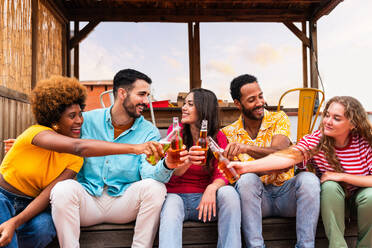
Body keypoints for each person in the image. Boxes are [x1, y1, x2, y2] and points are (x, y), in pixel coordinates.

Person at [0, 75, 164, 248]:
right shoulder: (37, 133)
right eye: (72, 116)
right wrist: (135, 148)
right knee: (9, 237)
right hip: (4, 197)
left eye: (80, 114)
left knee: (44, 228)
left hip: (34, 204)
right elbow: (79, 146)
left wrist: (16, 222)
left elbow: (48, 193)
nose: (80, 120)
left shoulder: (75, 158)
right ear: (55, 119)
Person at [50, 69, 184, 248]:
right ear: (122, 93)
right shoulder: (87, 120)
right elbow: (59, 136)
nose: (146, 101)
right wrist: (31, 142)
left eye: (148, 95)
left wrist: (167, 165)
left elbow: (148, 172)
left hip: (124, 202)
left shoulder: (149, 131)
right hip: (87, 199)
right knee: (62, 189)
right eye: (142, 94)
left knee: (155, 188)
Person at [228, 96, 372, 248]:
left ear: (353, 124)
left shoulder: (366, 142)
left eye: (336, 118)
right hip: (333, 202)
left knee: (370, 195)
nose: (328, 121)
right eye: (327, 115)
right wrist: (245, 167)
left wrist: (341, 176)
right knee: (330, 186)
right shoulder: (317, 139)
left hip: (361, 200)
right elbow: (286, 157)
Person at [222, 74, 320, 248]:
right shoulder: (228, 134)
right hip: (257, 202)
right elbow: (235, 174)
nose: (260, 102)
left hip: (286, 195)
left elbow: (280, 152)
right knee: (246, 181)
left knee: (310, 180)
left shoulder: (278, 118)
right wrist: (273, 166)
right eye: (252, 99)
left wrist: (246, 149)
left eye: (260, 96)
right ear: (238, 104)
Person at [159, 88, 241, 248]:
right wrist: (188, 159)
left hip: (206, 201)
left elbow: (222, 172)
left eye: (190, 104)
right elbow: (171, 172)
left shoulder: (218, 137)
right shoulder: (176, 133)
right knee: (170, 208)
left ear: (203, 109)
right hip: (176, 197)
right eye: (184, 104)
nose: (184, 108)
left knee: (229, 193)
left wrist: (212, 188)